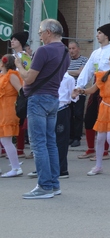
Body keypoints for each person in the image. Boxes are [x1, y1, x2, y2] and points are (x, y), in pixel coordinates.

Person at [16, 19, 69, 199]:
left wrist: (19, 68)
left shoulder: (44, 50)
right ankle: (54, 184)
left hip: (38, 98)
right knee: (50, 142)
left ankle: (44, 185)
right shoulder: (65, 52)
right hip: (54, 98)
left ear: (48, 32)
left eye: (40, 32)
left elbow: (29, 79)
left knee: (38, 144)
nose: (39, 36)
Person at [76, 23, 110, 160]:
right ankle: (90, 149)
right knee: (89, 118)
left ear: (106, 35)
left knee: (104, 120)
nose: (97, 35)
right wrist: (79, 86)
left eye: (99, 33)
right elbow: (88, 70)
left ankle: (104, 152)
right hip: (96, 87)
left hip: (108, 89)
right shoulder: (95, 53)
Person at [0, 55, 24, 177]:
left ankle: (16, 168)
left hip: (9, 109)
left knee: (6, 140)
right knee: (2, 139)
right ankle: (14, 167)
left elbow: (21, 90)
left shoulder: (12, 75)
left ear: (3, 63)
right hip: (2, 109)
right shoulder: (2, 75)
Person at [10, 31, 31, 158]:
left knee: (19, 118)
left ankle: (20, 149)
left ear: (21, 43)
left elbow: (27, 72)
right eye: (12, 39)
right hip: (9, 89)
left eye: (15, 40)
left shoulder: (24, 57)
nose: (12, 41)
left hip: (20, 88)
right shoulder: (11, 56)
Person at [67, 41, 88, 148]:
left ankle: (77, 137)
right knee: (69, 115)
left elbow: (81, 73)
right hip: (67, 92)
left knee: (78, 115)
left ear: (78, 49)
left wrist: (67, 71)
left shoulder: (84, 60)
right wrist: (73, 71)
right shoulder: (66, 60)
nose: (71, 51)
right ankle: (70, 136)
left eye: (73, 48)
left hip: (80, 91)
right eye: (69, 49)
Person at [56, 72, 77, 178]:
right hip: (48, 109)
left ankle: (62, 169)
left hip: (62, 109)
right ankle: (44, 167)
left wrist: (73, 96)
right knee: (46, 140)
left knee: (61, 140)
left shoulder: (69, 79)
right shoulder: (50, 74)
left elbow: (74, 97)